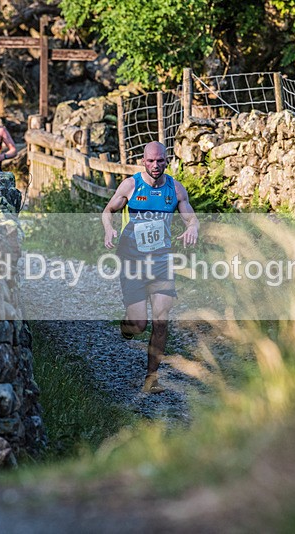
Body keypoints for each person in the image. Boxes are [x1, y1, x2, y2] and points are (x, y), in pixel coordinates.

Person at [102, 141, 199, 394]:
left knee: (161, 322)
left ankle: (151, 378)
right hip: (132, 260)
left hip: (160, 262)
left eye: (160, 161)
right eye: (150, 161)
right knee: (139, 324)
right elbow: (108, 210)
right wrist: (109, 228)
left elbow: (190, 216)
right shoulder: (131, 185)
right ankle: (127, 326)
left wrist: (192, 227)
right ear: (143, 161)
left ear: (167, 161)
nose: (155, 166)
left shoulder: (175, 189)